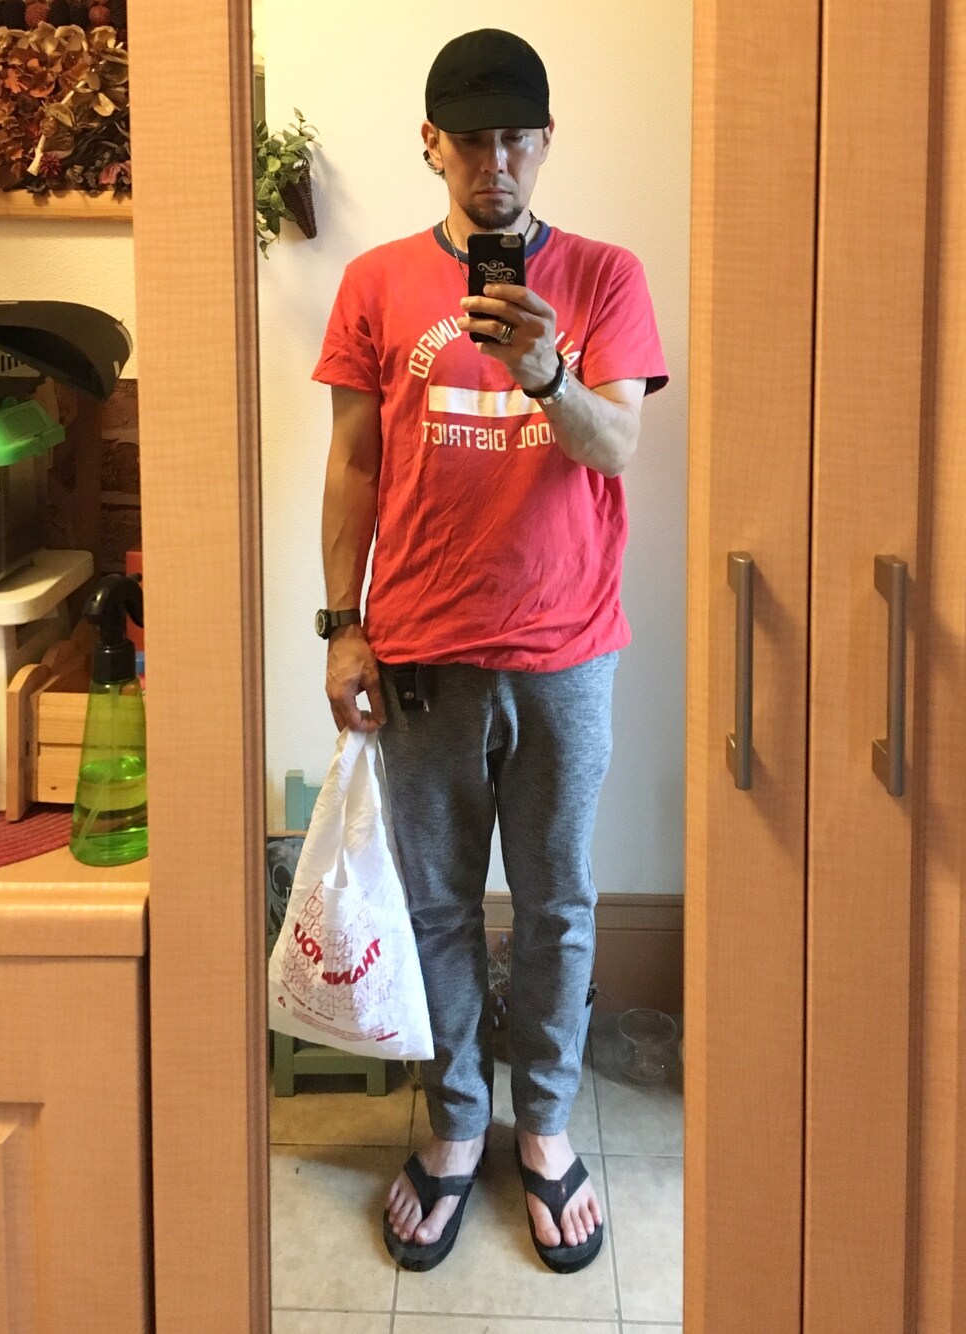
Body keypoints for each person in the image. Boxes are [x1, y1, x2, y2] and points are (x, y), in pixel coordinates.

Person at [313, 28, 667, 1274]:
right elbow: (353, 462)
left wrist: (545, 369)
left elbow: (614, 447)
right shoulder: (374, 284)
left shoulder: (607, 277)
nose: (495, 160)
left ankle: (547, 1123)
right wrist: (341, 623)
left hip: (566, 652)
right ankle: (460, 1120)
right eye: (470, 138)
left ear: (546, 141)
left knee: (559, 904)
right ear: (431, 145)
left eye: (516, 136)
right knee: (438, 904)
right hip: (419, 649)